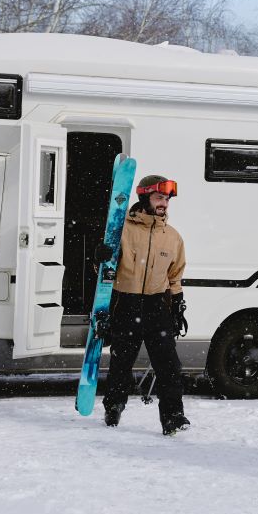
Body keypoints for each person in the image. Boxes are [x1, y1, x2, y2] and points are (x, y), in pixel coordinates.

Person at [100, 174, 190, 436]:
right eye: (159, 197)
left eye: (167, 199)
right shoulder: (122, 230)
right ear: (145, 198)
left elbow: (175, 275)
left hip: (156, 306)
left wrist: (177, 304)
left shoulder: (173, 237)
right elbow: (104, 270)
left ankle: (173, 416)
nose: (164, 203)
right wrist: (100, 257)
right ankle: (114, 406)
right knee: (121, 363)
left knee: (169, 366)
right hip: (125, 303)